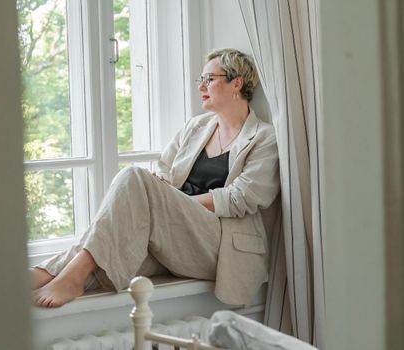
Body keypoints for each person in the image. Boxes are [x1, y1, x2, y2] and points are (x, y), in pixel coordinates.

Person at [31, 48, 280, 308]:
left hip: (222, 246)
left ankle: (69, 278)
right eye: (201, 80)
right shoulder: (196, 126)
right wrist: (161, 186)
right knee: (111, 248)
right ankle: (41, 276)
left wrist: (171, 202)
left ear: (236, 83)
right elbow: (166, 168)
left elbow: (242, 198)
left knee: (132, 176)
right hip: (179, 235)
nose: (201, 87)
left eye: (209, 79)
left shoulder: (264, 137)